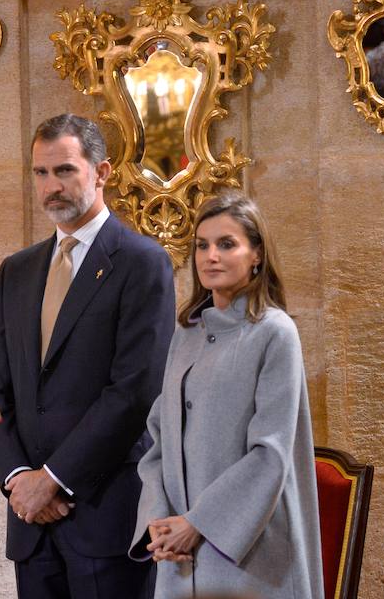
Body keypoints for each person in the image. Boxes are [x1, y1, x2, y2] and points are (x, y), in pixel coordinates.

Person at [0, 113, 176, 599]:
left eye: (65, 170)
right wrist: (18, 479)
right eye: (41, 173)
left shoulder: (142, 263)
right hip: (31, 525)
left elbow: (135, 392)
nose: (52, 187)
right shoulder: (16, 271)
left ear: (102, 172)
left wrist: (55, 480)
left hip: (103, 517)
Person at [130, 192, 323, 598]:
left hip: (252, 558)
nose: (210, 256)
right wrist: (158, 519)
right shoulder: (185, 333)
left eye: (226, 244)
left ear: (256, 255)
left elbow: (270, 452)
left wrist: (198, 524)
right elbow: (159, 437)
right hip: (180, 560)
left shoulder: (275, 332)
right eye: (202, 245)